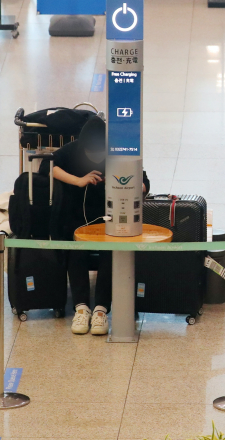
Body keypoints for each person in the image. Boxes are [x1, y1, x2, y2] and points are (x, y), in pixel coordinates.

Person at [51, 116, 150, 335]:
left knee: (110, 253)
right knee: (75, 250)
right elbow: (48, 167)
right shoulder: (71, 151)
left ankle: (101, 310)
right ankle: (81, 308)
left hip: (110, 219)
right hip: (76, 219)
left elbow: (144, 182)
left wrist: (125, 184)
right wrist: (78, 180)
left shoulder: (119, 152)